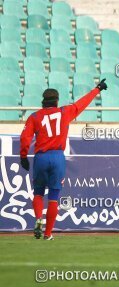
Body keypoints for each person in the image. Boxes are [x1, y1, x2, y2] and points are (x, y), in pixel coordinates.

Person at [20, 79, 108, 240]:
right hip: (58, 157)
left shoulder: (34, 117)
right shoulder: (64, 112)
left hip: (41, 157)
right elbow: (82, 103)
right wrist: (97, 89)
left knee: (38, 193)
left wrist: (23, 156)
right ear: (57, 101)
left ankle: (38, 217)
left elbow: (25, 138)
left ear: (43, 102)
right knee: (54, 197)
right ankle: (47, 234)